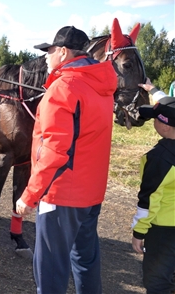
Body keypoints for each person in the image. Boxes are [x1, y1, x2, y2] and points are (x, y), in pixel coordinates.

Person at [15, 26, 117, 294]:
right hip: (91, 193)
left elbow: (53, 150)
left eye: (48, 51)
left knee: (49, 269)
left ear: (62, 52)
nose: (45, 57)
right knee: (85, 262)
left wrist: (30, 195)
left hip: (61, 194)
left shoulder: (64, 87)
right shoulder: (103, 86)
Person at [131, 96, 175, 293]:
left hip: (164, 229)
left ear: (165, 126)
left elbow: (148, 201)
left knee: (157, 282)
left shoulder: (158, 158)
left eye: (155, 118)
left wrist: (139, 232)